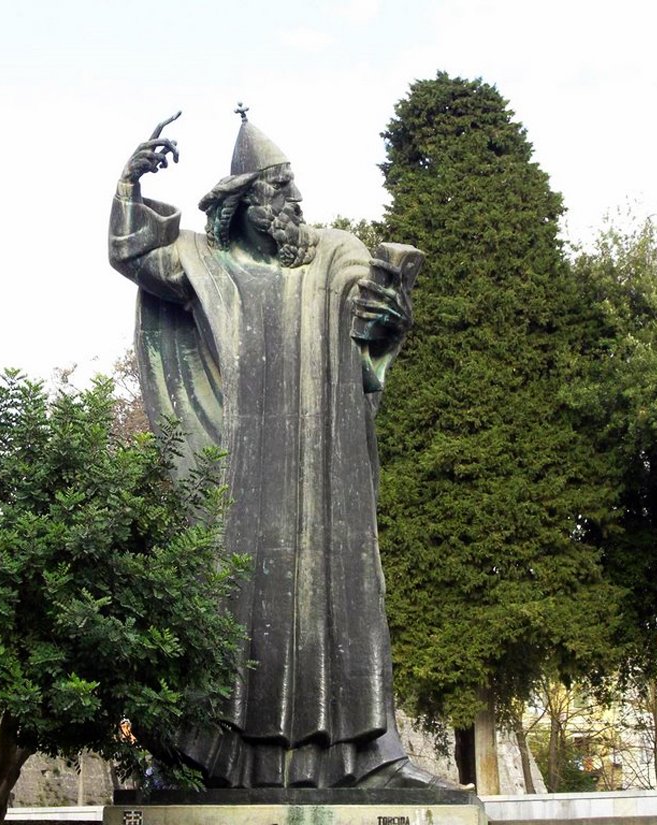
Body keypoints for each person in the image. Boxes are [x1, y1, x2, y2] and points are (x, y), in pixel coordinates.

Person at [108, 108, 436, 789]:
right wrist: (129, 185)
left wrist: (390, 319)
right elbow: (131, 253)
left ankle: (369, 758)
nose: (292, 203)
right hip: (243, 470)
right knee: (228, 605)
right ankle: (200, 762)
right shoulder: (203, 260)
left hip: (329, 471)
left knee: (342, 602)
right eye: (276, 191)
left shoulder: (337, 254)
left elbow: (378, 320)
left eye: (292, 189)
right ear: (242, 204)